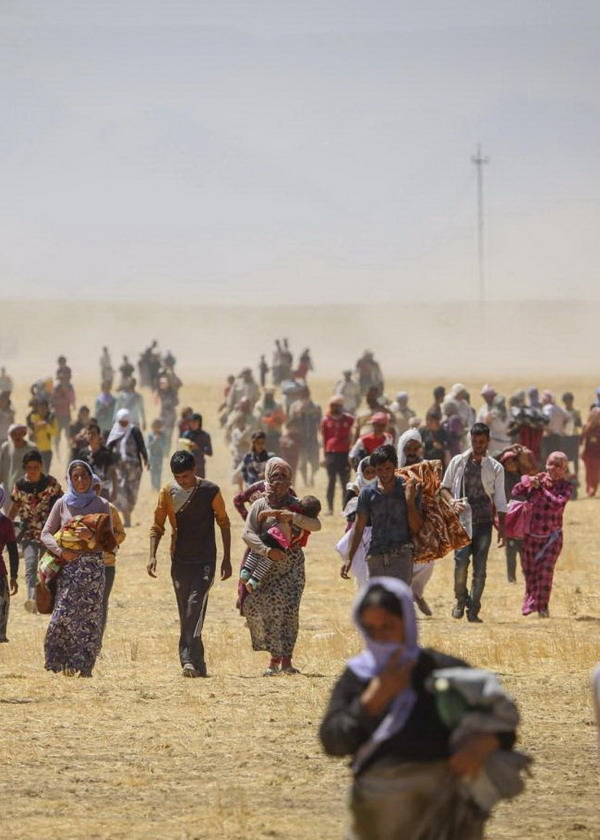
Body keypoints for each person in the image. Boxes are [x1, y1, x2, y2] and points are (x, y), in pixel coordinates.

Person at [319, 577, 521, 840]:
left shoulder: (442, 670)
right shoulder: (359, 676)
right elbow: (333, 741)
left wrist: (483, 744)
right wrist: (376, 697)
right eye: (370, 628)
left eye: (388, 626)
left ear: (407, 622)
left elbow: (504, 729)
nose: (380, 637)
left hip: (445, 809)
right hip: (379, 811)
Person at [148, 450, 232, 678]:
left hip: (205, 560)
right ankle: (197, 663)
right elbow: (157, 526)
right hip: (180, 560)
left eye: (185, 476)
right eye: (177, 477)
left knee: (195, 606)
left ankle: (187, 659)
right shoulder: (168, 492)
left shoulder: (210, 491)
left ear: (195, 470)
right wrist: (152, 555)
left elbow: (224, 522)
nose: (182, 481)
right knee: (186, 611)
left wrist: (227, 558)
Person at [241, 457, 320, 675]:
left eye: (284, 476)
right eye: (275, 476)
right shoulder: (259, 505)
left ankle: (285, 661)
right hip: (266, 569)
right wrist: (267, 551)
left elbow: (316, 524)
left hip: (292, 568)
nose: (280, 481)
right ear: (267, 478)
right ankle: (274, 657)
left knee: (289, 612)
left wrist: (292, 517)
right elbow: (247, 533)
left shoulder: (297, 505)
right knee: (268, 612)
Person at [41, 461, 112, 676]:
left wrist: (91, 537)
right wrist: (62, 552)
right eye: (76, 477)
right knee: (62, 615)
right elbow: (45, 533)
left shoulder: (102, 504)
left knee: (89, 618)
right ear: (70, 480)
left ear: (91, 478)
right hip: (69, 569)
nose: (80, 481)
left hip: (93, 570)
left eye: (84, 476)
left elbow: (111, 542)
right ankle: (61, 662)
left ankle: (82, 665)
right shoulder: (62, 503)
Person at [442, 423, 507, 623]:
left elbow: (500, 500)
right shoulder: (458, 462)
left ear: (488, 442)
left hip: (484, 523)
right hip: (462, 522)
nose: (478, 445)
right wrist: (452, 502)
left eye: (481, 441)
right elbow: (444, 487)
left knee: (480, 569)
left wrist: (502, 528)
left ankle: (474, 609)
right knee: (460, 564)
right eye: (474, 441)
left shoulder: (495, 468)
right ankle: (460, 599)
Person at [341, 444, 423, 585]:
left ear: (395, 466)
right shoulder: (367, 493)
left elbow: (416, 527)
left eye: (388, 468)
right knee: (376, 598)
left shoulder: (408, 488)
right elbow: (358, 528)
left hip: (402, 556)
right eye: (379, 470)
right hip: (375, 556)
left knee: (398, 598)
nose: (384, 473)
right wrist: (349, 558)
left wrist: (409, 502)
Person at [511, 452, 572, 617]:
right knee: (530, 574)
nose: (554, 468)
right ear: (546, 464)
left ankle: (541, 607)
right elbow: (515, 492)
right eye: (551, 464)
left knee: (545, 572)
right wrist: (527, 483)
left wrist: (541, 490)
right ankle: (532, 602)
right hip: (530, 537)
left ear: (565, 468)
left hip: (552, 538)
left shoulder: (566, 486)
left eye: (559, 466)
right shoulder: (538, 479)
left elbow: (557, 504)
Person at [9, 449, 63, 611]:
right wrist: (7, 526)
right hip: (28, 533)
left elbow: (62, 503)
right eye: (29, 467)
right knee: (31, 565)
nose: (33, 471)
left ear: (41, 467)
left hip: (49, 533)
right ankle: (32, 599)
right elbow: (15, 507)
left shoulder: (51, 484)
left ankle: (47, 601)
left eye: (36, 467)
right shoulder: (20, 486)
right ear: (25, 468)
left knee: (47, 567)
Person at [240, 494, 321, 591]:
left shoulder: (292, 511)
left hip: (273, 535)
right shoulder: (305, 526)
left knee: (255, 552)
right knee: (266, 562)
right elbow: (301, 542)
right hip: (282, 545)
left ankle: (246, 571)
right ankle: (253, 580)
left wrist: (264, 513)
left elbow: (277, 513)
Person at [106, 408, 148, 527]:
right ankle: (126, 519)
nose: (123, 424)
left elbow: (141, 446)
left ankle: (128, 512)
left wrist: (146, 459)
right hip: (119, 468)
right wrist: (110, 462)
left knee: (132, 494)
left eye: (125, 422)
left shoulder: (134, 431)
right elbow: (109, 449)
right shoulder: (114, 431)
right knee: (121, 491)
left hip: (134, 469)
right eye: (121, 422)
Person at [321, 396, 354, 515]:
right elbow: (324, 438)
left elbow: (354, 432)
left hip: (345, 454)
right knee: (331, 481)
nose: (334, 408)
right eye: (332, 405)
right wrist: (324, 456)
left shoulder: (348, 419)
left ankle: (345, 508)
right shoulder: (326, 420)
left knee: (345, 482)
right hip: (331, 454)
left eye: (337, 405)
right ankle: (330, 508)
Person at [286, 386, 322, 488]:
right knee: (302, 462)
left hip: (312, 438)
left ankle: (312, 477)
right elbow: (289, 423)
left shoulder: (316, 407)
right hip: (300, 439)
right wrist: (297, 414)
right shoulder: (294, 406)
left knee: (315, 462)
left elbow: (320, 423)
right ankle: (306, 482)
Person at [0, 424, 35, 512]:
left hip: (27, 487)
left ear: (24, 434)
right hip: (8, 487)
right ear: (11, 435)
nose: (17, 436)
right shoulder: (5, 447)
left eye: (20, 434)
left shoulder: (32, 448)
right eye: (14, 434)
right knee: (8, 512)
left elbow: (40, 468)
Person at [79, 423, 117, 501]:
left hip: (103, 491)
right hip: (86, 491)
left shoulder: (105, 453)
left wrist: (114, 490)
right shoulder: (83, 453)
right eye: (88, 433)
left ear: (99, 436)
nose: (90, 436)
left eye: (93, 433)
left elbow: (113, 472)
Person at [0, 487, 19, 642]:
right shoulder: (6, 523)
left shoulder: (6, 523)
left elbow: (13, 552)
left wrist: (13, 576)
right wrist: (13, 577)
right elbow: (13, 551)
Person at [27, 398, 58, 473]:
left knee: (45, 473)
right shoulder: (33, 417)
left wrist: (46, 426)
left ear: (47, 409)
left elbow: (55, 432)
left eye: (44, 408)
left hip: (46, 450)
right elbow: (31, 428)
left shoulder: (51, 419)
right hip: (35, 450)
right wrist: (39, 425)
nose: (42, 410)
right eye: (40, 408)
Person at [477, 385, 510, 457]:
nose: (486, 398)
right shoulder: (483, 409)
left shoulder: (506, 411)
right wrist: (485, 422)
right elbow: (478, 424)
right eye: (485, 396)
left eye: (488, 396)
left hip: (504, 442)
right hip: (492, 443)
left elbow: (506, 425)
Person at [50, 373, 76, 456]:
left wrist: (66, 392)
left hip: (66, 416)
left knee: (69, 435)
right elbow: (51, 402)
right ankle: (57, 453)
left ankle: (69, 452)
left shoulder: (69, 388)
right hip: (58, 417)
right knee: (57, 436)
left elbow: (72, 400)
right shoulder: (55, 390)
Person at [254, 388, 286, 455]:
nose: (269, 396)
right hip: (263, 434)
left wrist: (276, 420)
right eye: (267, 394)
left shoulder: (278, 405)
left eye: (271, 395)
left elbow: (282, 418)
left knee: (277, 454)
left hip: (275, 433)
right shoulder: (259, 406)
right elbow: (257, 420)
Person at [181, 413, 213, 478]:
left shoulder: (205, 435)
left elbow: (209, 452)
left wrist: (198, 447)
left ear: (199, 423)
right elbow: (181, 451)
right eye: (191, 422)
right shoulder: (186, 435)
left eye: (195, 422)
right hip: (187, 465)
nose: (193, 424)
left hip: (199, 465)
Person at [580, 408, 600, 497]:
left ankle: (593, 489)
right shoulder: (586, 427)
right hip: (587, 453)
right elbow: (581, 440)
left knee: (596, 473)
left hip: (598, 454)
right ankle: (589, 489)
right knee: (588, 473)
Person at [147, 418, 168, 492]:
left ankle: (158, 487)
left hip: (159, 457)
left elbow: (164, 446)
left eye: (158, 426)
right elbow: (148, 446)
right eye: (155, 426)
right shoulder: (150, 435)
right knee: (152, 473)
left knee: (158, 473)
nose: (156, 428)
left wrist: (159, 441)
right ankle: (153, 487)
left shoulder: (163, 435)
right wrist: (154, 441)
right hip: (152, 457)